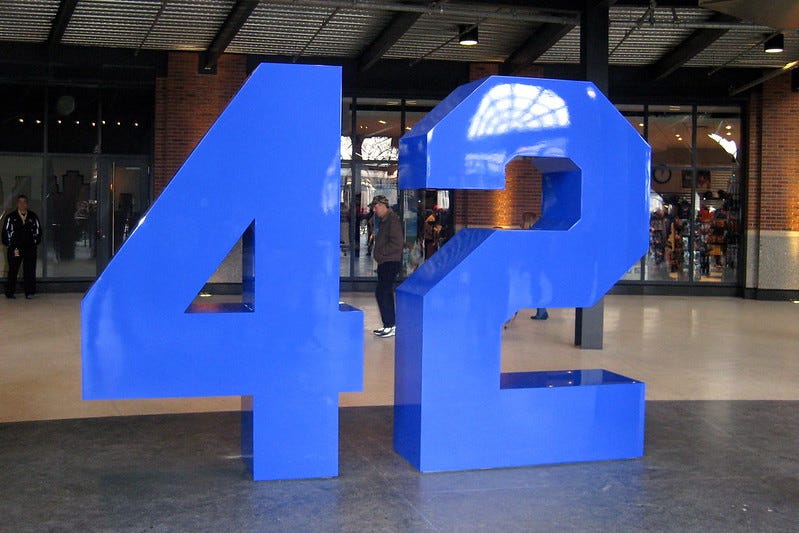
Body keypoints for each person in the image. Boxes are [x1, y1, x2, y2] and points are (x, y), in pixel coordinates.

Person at [371, 195, 403, 338]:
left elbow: (397, 243)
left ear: (383, 206)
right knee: (384, 293)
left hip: (390, 262)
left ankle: (391, 324)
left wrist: (382, 254)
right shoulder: (384, 220)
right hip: (385, 262)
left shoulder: (392, 220)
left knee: (383, 292)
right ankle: (388, 324)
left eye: (376, 206)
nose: (374, 209)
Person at [2, 194, 42, 299]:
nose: (22, 204)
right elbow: (5, 232)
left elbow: (38, 231)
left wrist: (34, 242)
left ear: (27, 204)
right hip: (15, 248)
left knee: (29, 270)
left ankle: (29, 292)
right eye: (20, 202)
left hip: (30, 248)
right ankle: (10, 292)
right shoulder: (11, 217)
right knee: (13, 270)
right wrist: (10, 244)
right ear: (17, 204)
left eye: (24, 202)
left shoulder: (33, 217)